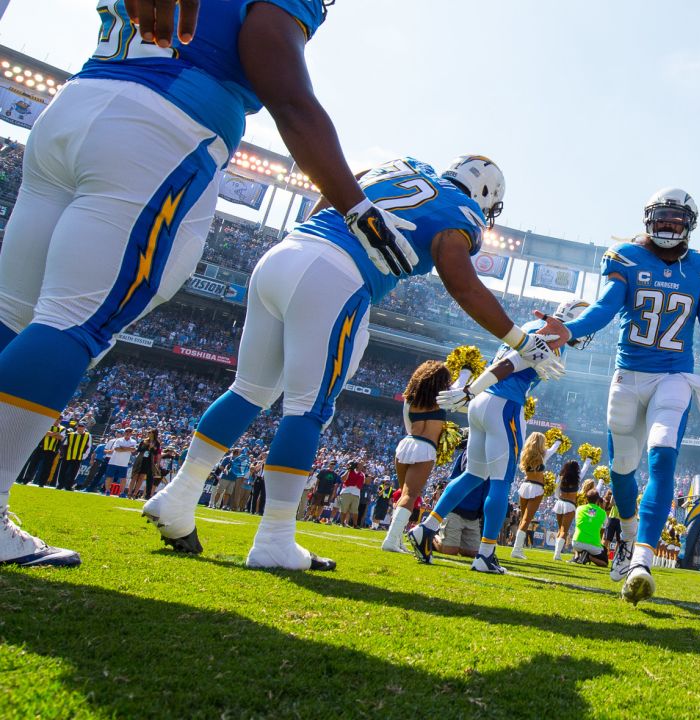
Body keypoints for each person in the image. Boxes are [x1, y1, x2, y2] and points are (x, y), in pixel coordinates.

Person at [0, 0, 407, 567]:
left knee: (12, 317)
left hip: (79, 98)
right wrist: (355, 204)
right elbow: (283, 86)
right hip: (163, 127)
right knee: (72, 320)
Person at [143, 154, 565, 571]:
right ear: (485, 195)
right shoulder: (462, 211)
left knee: (249, 389)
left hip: (288, 251)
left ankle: (178, 497)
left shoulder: (404, 165)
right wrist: (519, 339)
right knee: (308, 408)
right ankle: (274, 539)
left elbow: (335, 188)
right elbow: (461, 281)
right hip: (336, 276)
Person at [549, 188, 700, 603]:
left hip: (675, 377)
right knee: (622, 468)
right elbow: (605, 308)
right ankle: (627, 534)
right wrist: (572, 330)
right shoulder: (626, 257)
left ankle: (641, 560)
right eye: (661, 218)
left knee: (661, 459)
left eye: (676, 219)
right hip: (628, 375)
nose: (668, 226)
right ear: (648, 220)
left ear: (689, 224)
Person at [413, 299, 594, 571]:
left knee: (474, 475)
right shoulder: (551, 333)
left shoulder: (534, 326)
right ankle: (486, 554)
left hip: (484, 402)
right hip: (503, 403)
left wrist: (473, 391)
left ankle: (426, 529)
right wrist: (470, 390)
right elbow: (510, 364)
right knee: (500, 481)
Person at [380, 361, 451, 552]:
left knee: (403, 494)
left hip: (406, 444)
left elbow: (408, 425)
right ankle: (391, 539)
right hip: (425, 448)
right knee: (410, 496)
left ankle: (396, 539)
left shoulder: (409, 400)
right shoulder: (443, 399)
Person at [551, 461, 582, 561]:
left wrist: (559, 498)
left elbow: (556, 491)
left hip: (559, 503)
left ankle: (557, 553)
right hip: (569, 505)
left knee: (560, 529)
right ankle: (557, 554)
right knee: (564, 531)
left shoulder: (561, 477)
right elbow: (585, 468)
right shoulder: (577, 479)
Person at [571, 488, 610, 567]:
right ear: (598, 500)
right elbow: (605, 526)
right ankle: (588, 557)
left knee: (579, 532)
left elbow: (582, 521)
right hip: (593, 546)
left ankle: (577, 555)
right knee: (605, 562)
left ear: (586, 498)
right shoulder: (602, 512)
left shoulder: (579, 508)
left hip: (576, 543)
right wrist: (602, 508)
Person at [57, 420, 92, 492]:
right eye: (79, 426)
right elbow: (64, 444)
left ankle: (68, 486)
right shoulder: (70, 434)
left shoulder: (88, 435)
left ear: (84, 427)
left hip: (78, 456)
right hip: (67, 455)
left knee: (73, 472)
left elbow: (89, 446)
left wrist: (84, 456)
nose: (80, 427)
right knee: (63, 470)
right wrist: (62, 453)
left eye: (82, 426)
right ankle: (60, 485)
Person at [103, 427, 137, 497]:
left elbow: (133, 450)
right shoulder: (119, 440)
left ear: (131, 433)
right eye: (127, 431)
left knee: (123, 478)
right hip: (114, 461)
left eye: (129, 432)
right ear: (124, 432)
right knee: (109, 477)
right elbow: (117, 449)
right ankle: (107, 490)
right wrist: (128, 449)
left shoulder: (133, 441)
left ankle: (122, 493)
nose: (128, 433)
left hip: (124, 463)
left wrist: (123, 448)